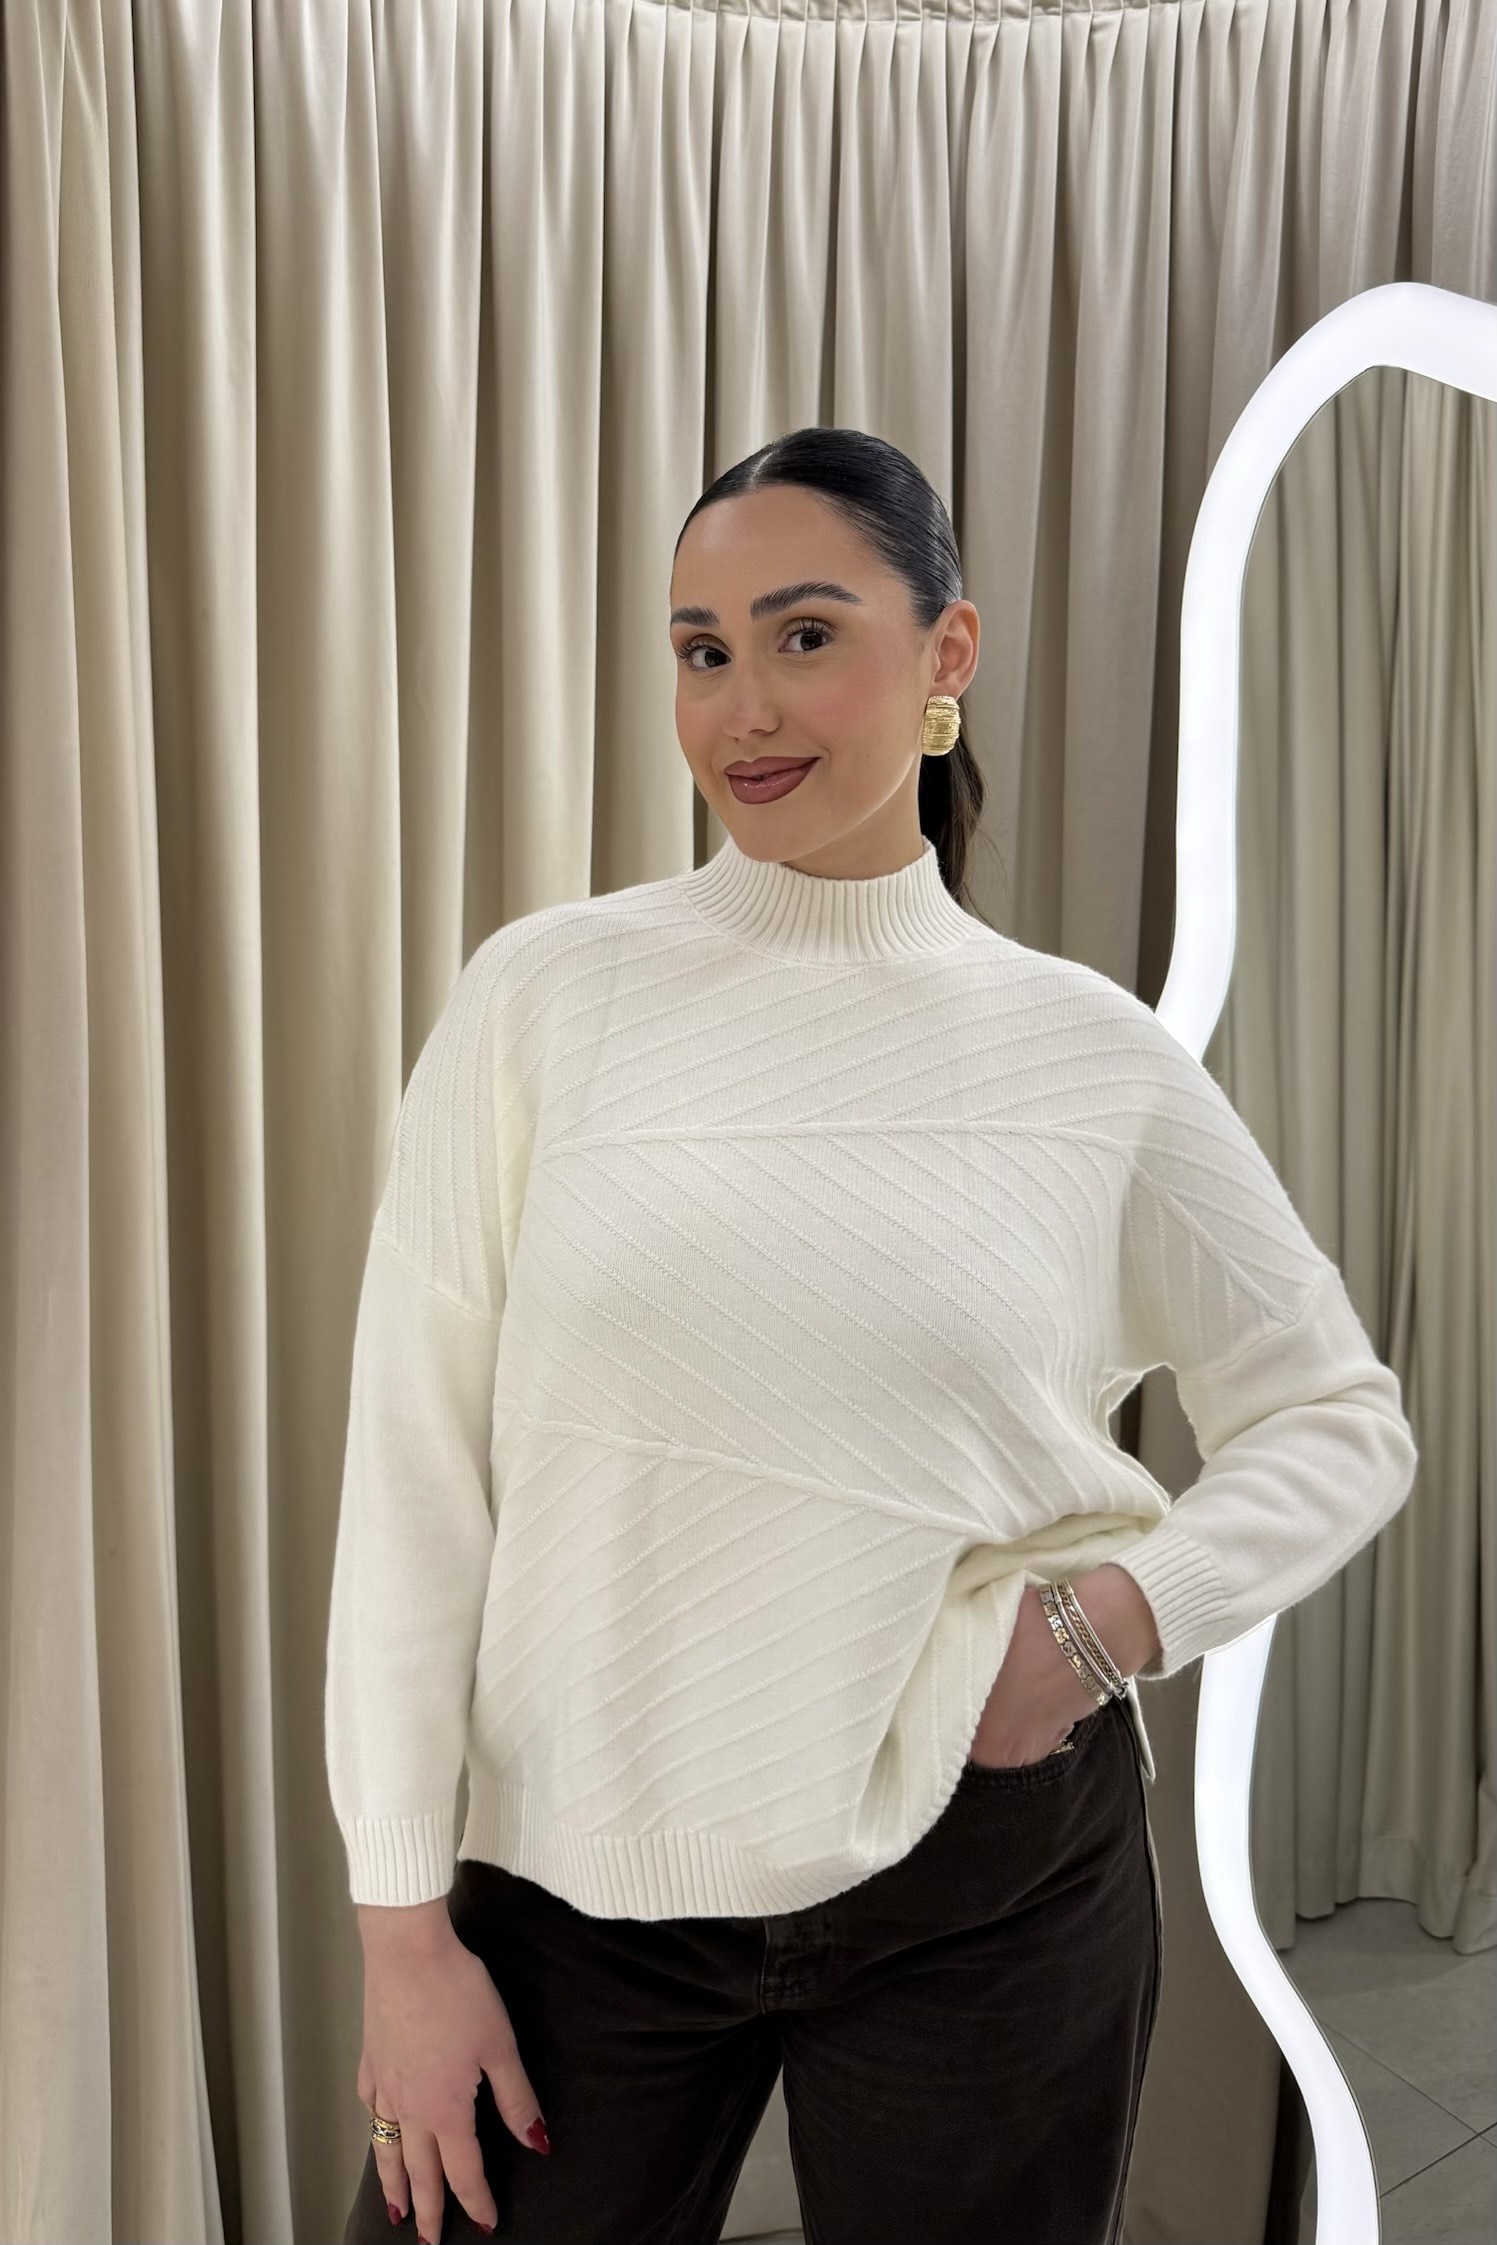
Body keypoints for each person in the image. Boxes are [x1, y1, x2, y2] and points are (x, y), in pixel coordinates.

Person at [328, 429, 1418, 2245]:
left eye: (805, 634)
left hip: (984, 1872)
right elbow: (412, 1479)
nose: (744, 705)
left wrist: (1097, 1627)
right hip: (580, 1870)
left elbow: (1337, 1413)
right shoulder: (545, 996)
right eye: (701, 650)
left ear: (945, 653)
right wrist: (400, 1936)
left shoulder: (1090, 1056)